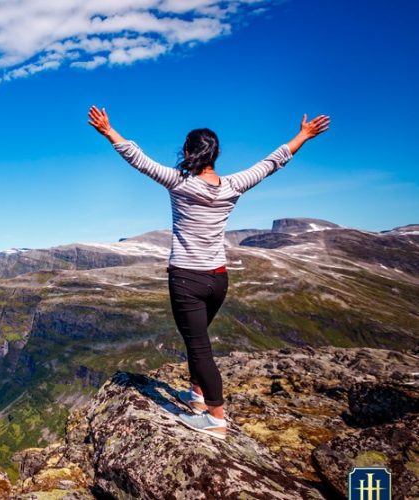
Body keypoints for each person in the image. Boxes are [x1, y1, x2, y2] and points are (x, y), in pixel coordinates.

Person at [87, 107, 330, 439]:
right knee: (195, 340)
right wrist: (303, 135)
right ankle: (198, 397)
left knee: (199, 347)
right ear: (215, 154)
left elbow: (139, 160)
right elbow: (271, 163)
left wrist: (108, 131)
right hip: (218, 279)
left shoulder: (179, 183)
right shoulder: (232, 186)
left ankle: (216, 418)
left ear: (188, 152)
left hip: (187, 278)